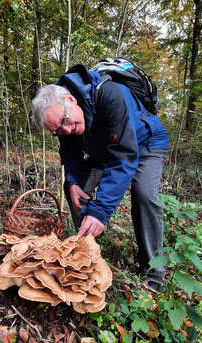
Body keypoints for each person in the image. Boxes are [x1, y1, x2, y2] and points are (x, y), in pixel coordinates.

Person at [31, 63, 169, 292]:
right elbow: (71, 155)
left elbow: (123, 157)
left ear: (71, 99)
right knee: (74, 188)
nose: (66, 131)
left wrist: (100, 211)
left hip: (145, 144)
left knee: (143, 195)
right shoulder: (63, 120)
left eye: (65, 122)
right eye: (57, 130)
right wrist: (74, 183)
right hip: (105, 149)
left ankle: (154, 271)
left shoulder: (109, 94)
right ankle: (87, 250)